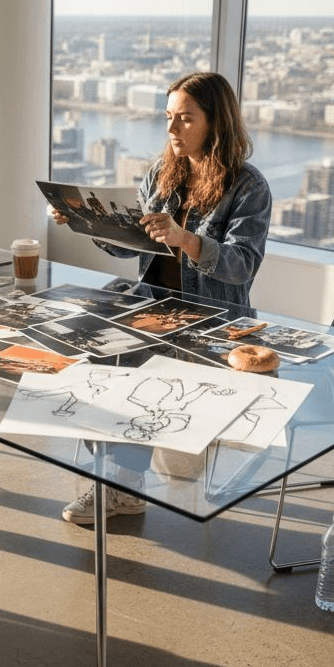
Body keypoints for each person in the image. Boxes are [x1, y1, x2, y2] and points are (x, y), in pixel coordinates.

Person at [50, 71, 272, 525]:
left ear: (217, 122)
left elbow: (242, 264)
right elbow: (132, 243)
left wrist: (187, 241)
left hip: (212, 319)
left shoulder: (249, 188)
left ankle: (119, 486)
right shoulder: (160, 173)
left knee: (126, 367)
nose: (172, 129)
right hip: (154, 305)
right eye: (169, 117)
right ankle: (120, 482)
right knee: (84, 347)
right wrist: (83, 222)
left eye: (185, 119)